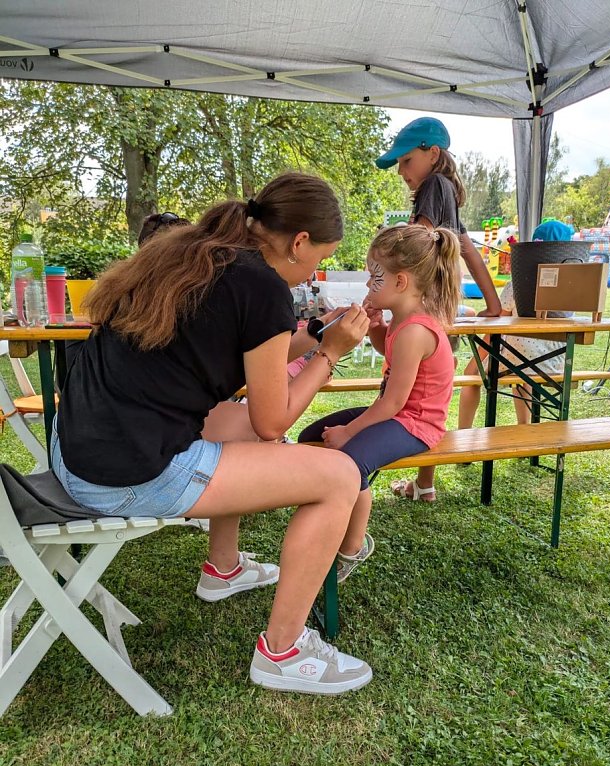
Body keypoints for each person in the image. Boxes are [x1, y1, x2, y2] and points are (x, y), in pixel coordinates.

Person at [51, 172, 374, 696]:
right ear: (299, 243)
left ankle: (223, 569)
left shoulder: (193, 254)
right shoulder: (263, 286)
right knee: (340, 476)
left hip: (78, 451)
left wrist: (316, 333)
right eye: (320, 258)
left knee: (239, 424)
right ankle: (284, 652)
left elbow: (257, 356)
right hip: (127, 474)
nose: (314, 273)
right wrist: (331, 353)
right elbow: (274, 419)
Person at [298, 224, 460, 582]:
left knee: (349, 461)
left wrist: (349, 432)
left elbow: (394, 401)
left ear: (400, 282)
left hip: (416, 424)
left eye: (375, 278)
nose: (369, 286)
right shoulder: (403, 318)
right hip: (396, 414)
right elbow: (388, 348)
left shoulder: (416, 330)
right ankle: (330, 511)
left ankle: (352, 547)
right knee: (312, 435)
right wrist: (374, 327)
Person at [375, 116, 502, 502]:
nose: (402, 171)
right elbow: (469, 250)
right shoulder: (446, 189)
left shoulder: (433, 185)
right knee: (430, 394)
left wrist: (385, 258)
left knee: (409, 390)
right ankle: (424, 484)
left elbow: (415, 241)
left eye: (406, 161)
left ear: (433, 153)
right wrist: (493, 303)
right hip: (439, 307)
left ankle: (411, 474)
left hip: (421, 306)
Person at [458, 221, 569, 431]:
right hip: (556, 363)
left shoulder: (518, 283)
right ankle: (523, 426)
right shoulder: (571, 287)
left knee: (472, 374)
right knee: (524, 369)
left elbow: (498, 327)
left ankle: (463, 432)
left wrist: (477, 359)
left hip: (518, 359)